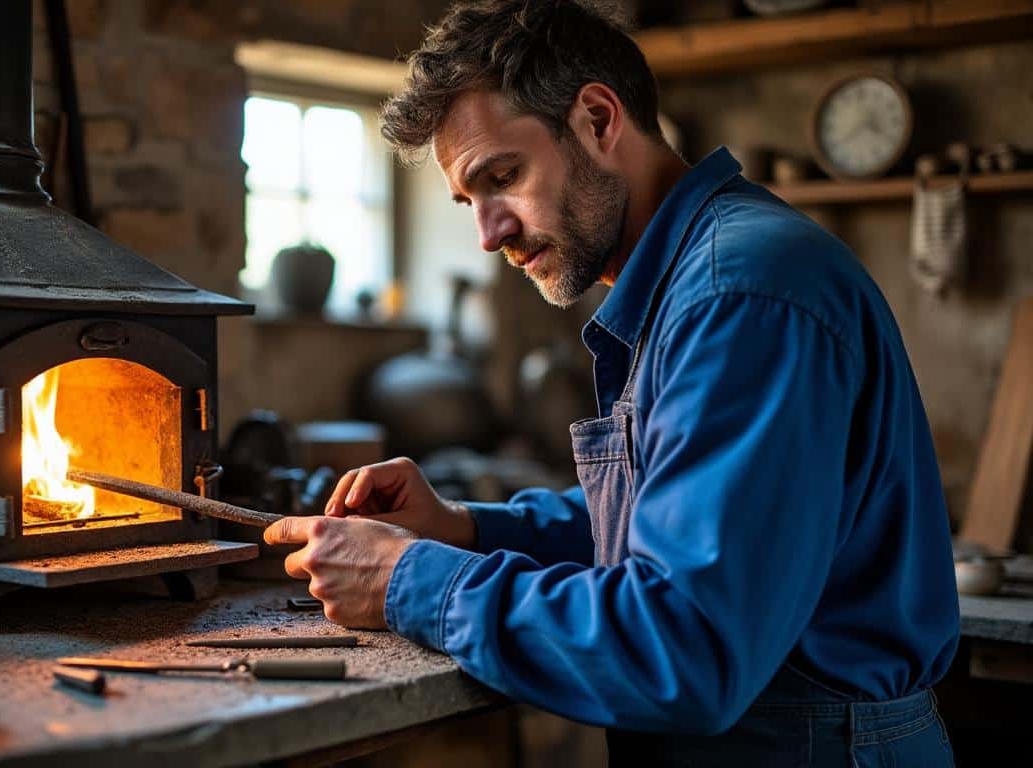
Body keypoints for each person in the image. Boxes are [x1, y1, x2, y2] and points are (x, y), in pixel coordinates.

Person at [262, 1, 960, 764]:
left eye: (504, 176)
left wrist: (410, 579)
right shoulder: (691, 278)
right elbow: (664, 521)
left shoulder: (738, 294)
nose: (488, 233)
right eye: (469, 202)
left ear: (598, 119)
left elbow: (684, 651)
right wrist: (464, 529)